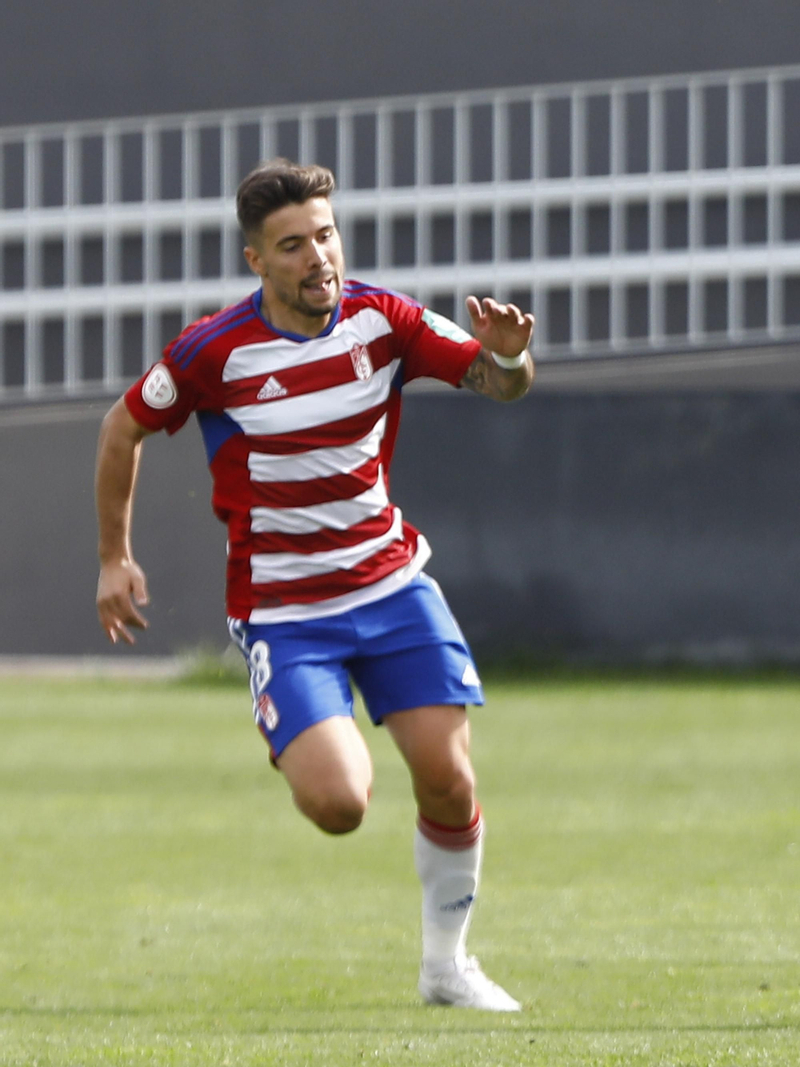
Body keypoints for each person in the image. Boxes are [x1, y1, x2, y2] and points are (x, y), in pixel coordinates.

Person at [94, 159, 534, 1012]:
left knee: (449, 777)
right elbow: (123, 427)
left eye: (325, 235)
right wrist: (115, 555)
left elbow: (499, 383)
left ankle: (447, 968)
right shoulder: (212, 351)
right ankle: (311, 718)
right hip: (286, 612)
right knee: (339, 802)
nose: (317, 257)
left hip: (392, 585)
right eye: (292, 245)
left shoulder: (384, 321)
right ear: (257, 261)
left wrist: (510, 360)